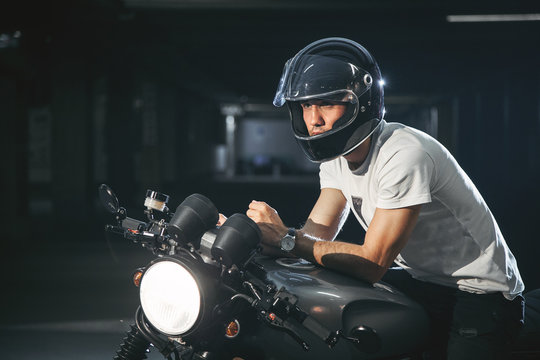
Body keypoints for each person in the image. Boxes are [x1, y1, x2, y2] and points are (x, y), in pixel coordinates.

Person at [242, 37, 525, 359]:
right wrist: (261, 236)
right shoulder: (337, 158)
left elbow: (372, 263)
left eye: (327, 104)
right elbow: (317, 234)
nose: (314, 119)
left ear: (361, 105)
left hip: (480, 295)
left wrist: (287, 239)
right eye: (306, 105)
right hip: (424, 282)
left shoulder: (404, 154)